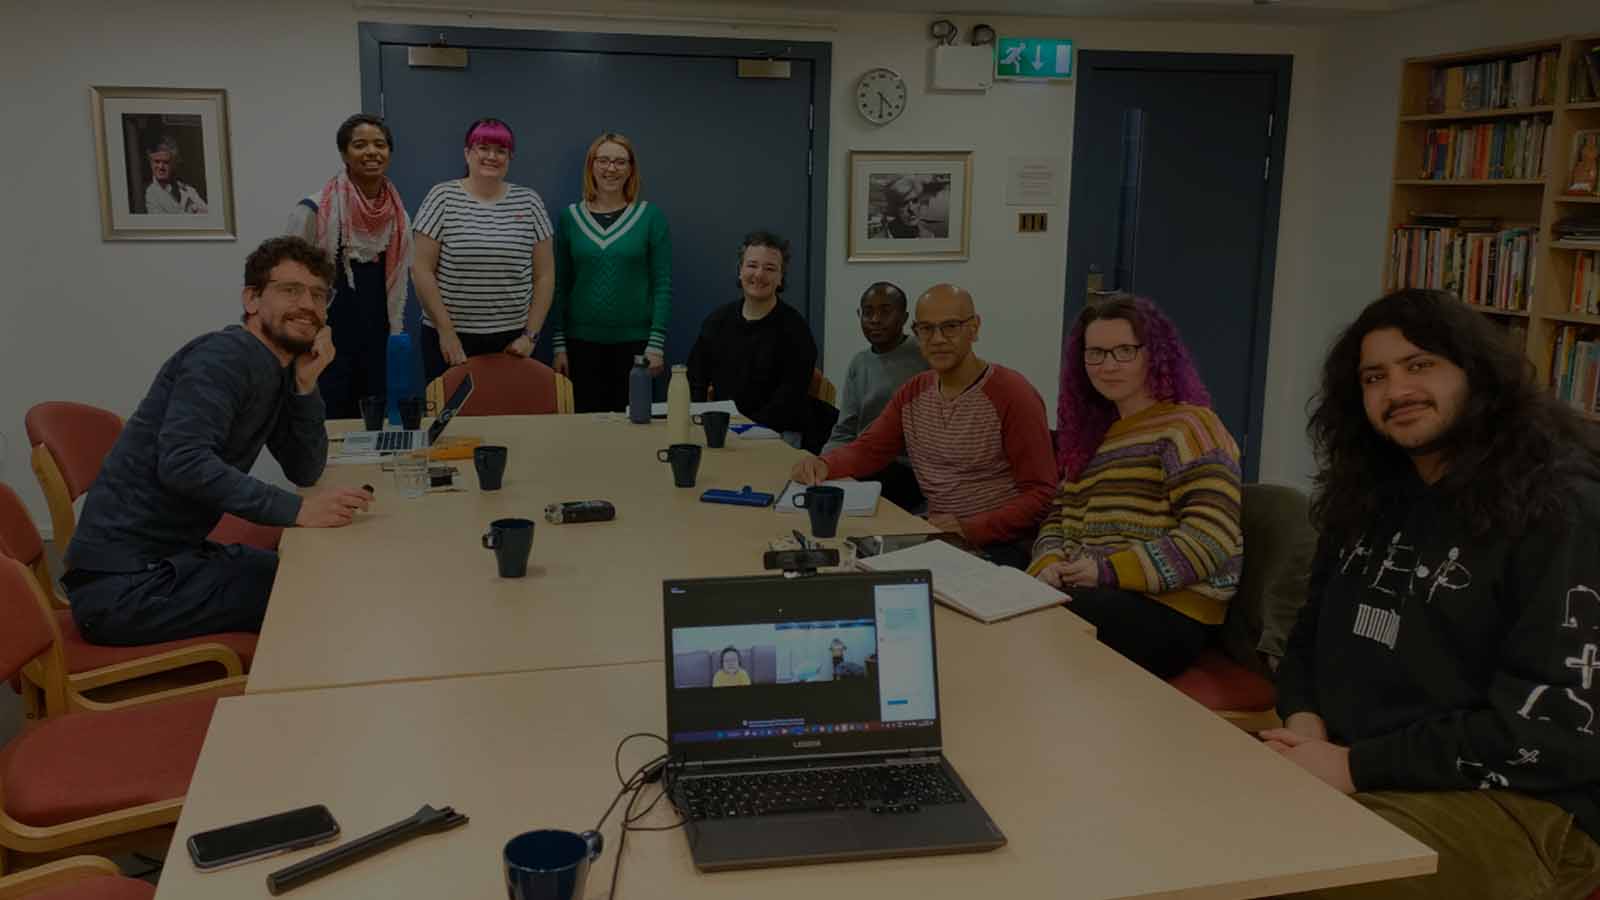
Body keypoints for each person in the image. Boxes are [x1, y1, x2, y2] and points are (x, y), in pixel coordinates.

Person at [1265, 289, 1600, 900]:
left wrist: (1350, 768)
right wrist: (1306, 726)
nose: (1397, 392)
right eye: (1375, 377)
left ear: (1476, 374)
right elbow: (1308, 639)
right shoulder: (1369, 496)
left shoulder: (1562, 510)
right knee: (1180, 818)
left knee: (1277, 881)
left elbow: (1549, 730)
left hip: (1519, 803)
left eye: (1420, 366)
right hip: (1354, 763)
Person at [61, 237, 375, 647]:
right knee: (315, 593)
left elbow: (305, 468)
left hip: (170, 561)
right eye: (290, 290)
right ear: (252, 299)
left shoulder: (275, 370)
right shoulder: (224, 357)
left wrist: (304, 386)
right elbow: (183, 463)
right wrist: (298, 509)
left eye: (319, 295)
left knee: (319, 570)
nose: (308, 305)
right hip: (125, 588)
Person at [1028, 295, 1242, 678]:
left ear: (1153, 354)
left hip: (1171, 612)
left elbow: (1211, 539)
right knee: (1005, 588)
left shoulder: (1190, 426)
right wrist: (1047, 563)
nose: (1108, 366)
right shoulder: (1093, 437)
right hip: (1099, 593)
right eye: (1095, 353)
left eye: (1124, 351)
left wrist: (1106, 570)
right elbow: (1058, 519)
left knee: (1033, 621)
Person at [791, 284, 1056, 567]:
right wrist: (824, 464)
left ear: (974, 328)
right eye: (927, 329)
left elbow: (1042, 494)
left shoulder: (1012, 394)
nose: (938, 339)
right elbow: (870, 449)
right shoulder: (913, 392)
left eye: (950, 326)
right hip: (939, 536)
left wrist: (969, 528)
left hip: (1002, 545)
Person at [287, 113, 412, 419]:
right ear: (344, 154)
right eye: (360, 145)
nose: (372, 152)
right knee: (328, 422)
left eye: (380, 144)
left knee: (378, 423)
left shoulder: (398, 216)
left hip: (378, 340)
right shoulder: (314, 210)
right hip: (326, 336)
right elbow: (288, 277)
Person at [412, 118, 555, 383]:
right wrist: (446, 332)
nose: (492, 156)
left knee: (508, 419)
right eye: (483, 148)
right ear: (467, 153)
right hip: (449, 340)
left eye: (501, 151)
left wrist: (530, 336)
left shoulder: (529, 201)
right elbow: (420, 269)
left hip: (511, 341)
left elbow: (544, 276)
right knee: (451, 420)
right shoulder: (442, 197)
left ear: (510, 157)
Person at [550, 132, 673, 412]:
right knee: (584, 431)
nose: (611, 169)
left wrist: (656, 344)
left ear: (631, 169)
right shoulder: (569, 218)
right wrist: (559, 344)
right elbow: (560, 284)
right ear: (591, 166)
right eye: (603, 160)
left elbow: (662, 284)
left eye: (620, 162)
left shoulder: (650, 217)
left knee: (633, 430)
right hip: (580, 345)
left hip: (636, 347)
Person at [687, 231, 828, 449]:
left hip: (777, 434)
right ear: (740, 270)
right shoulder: (717, 321)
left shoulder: (796, 331)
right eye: (752, 265)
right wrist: (699, 421)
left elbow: (788, 399)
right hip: (724, 430)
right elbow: (695, 379)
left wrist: (745, 430)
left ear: (781, 278)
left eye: (770, 268)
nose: (759, 274)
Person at [823, 282, 929, 511]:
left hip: (905, 468)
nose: (875, 319)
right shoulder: (859, 363)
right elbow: (845, 430)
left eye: (885, 311)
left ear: (904, 317)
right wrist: (824, 464)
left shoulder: (925, 355)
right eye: (868, 312)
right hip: (862, 460)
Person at [142, 136, 207, 215]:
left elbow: (206, 214)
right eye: (157, 161)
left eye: (166, 162)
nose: (161, 167)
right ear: (151, 163)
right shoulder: (151, 194)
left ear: (173, 164)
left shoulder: (188, 189)